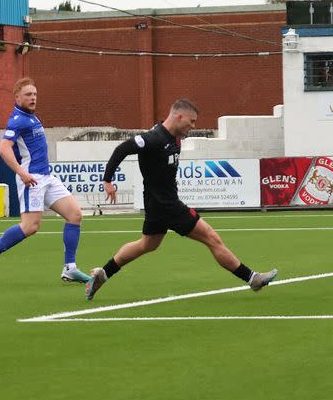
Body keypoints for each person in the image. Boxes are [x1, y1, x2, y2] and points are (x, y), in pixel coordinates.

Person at [85, 98, 277, 300]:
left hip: (156, 204)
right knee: (212, 238)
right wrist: (107, 180)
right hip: (167, 206)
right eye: (191, 121)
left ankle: (103, 273)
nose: (193, 127)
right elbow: (121, 149)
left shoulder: (174, 138)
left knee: (148, 244)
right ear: (178, 116)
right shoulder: (154, 138)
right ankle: (252, 278)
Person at [0, 77, 91, 287]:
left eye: (35, 94)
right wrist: (21, 173)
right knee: (30, 227)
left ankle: (70, 268)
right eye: (28, 94)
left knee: (74, 215)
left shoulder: (32, 117)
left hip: (46, 176)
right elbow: (3, 148)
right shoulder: (17, 119)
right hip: (32, 179)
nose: (33, 98)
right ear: (17, 97)